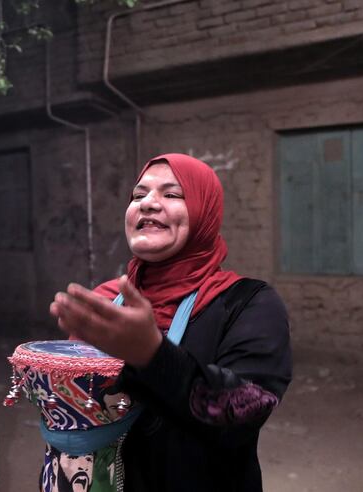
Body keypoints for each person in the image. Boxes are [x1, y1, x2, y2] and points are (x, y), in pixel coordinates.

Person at [48, 153, 292, 491]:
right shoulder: (105, 300)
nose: (148, 203)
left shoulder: (249, 303)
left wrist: (152, 354)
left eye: (172, 194)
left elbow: (243, 412)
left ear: (204, 213)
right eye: (138, 195)